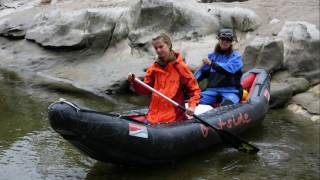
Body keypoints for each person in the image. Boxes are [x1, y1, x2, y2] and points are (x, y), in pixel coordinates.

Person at [128, 33, 201, 124]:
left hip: (173, 118)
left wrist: (192, 106)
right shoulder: (153, 69)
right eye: (156, 48)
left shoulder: (181, 68)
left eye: (161, 47)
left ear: (169, 45)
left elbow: (194, 90)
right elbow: (144, 90)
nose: (158, 50)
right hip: (153, 117)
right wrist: (135, 82)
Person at [194, 28, 243, 106]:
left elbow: (228, 69)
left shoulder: (236, 56)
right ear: (219, 40)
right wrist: (190, 84)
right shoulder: (212, 56)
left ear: (231, 42)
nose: (225, 42)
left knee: (228, 103)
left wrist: (211, 64)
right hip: (211, 91)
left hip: (231, 91)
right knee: (194, 101)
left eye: (228, 40)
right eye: (223, 39)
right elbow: (201, 73)